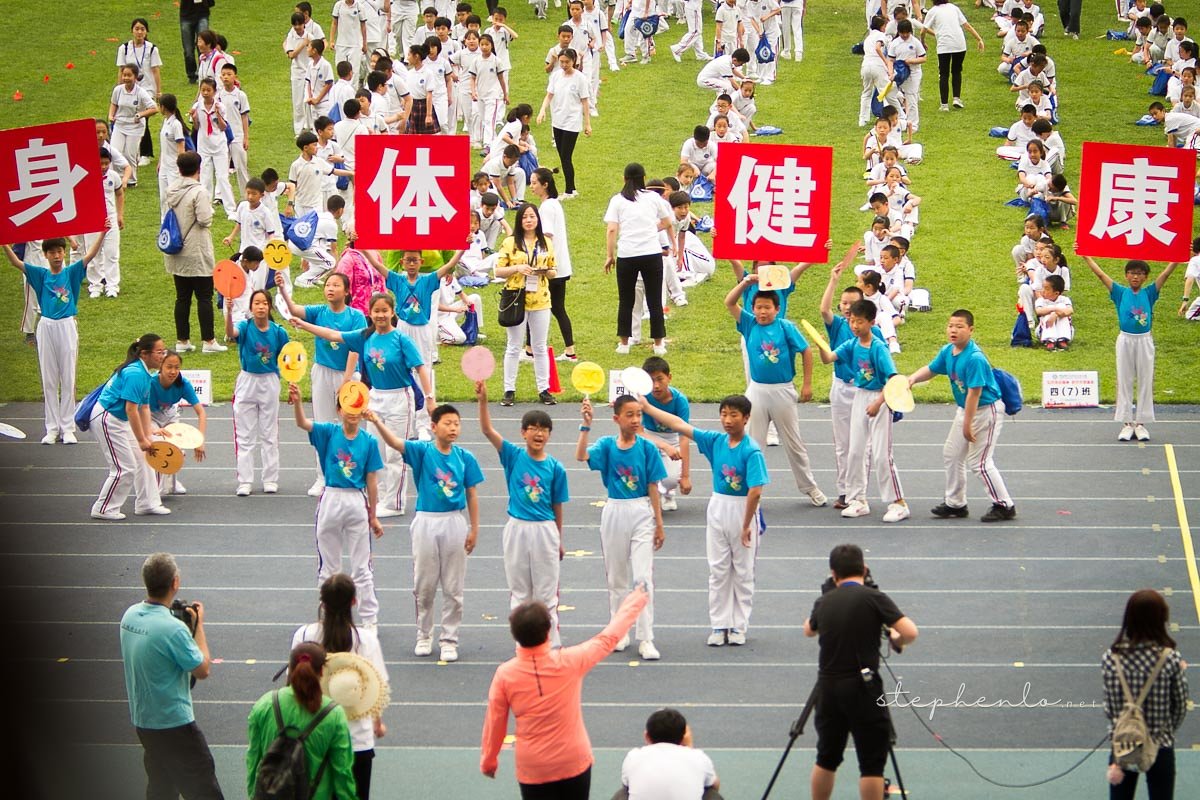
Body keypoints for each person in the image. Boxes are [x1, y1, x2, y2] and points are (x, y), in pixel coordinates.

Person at [480, 585, 650, 797]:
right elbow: (608, 638)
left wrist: (489, 759)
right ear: (548, 630)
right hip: (573, 761)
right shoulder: (569, 661)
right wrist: (636, 600)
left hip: (533, 767)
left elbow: (495, 721)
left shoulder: (505, 674)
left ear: (515, 634)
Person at [639, 394, 767, 647]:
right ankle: (719, 625)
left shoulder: (751, 450)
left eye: (734, 415)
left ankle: (739, 625)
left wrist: (745, 526)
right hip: (719, 505)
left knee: (742, 571)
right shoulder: (716, 441)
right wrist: (647, 407)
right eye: (724, 414)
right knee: (718, 569)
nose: (728, 420)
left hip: (743, 509)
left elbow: (756, 490)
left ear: (746, 418)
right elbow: (679, 425)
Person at [292, 292, 433, 517]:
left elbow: (421, 367)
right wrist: (304, 324)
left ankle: (395, 503)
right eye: (376, 311)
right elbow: (332, 334)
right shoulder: (364, 336)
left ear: (392, 312)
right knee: (375, 449)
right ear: (370, 313)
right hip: (375, 397)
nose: (380, 315)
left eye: (384, 311)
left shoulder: (401, 339)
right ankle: (381, 498)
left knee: (395, 451)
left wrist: (429, 398)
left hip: (399, 398)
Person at [365, 404, 483, 662]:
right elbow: (395, 443)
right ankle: (424, 634)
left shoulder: (465, 457)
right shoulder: (422, 451)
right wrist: (375, 421)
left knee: (453, 586)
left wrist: (474, 528)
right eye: (448, 423)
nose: (453, 428)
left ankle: (449, 639)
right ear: (433, 426)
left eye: (457, 423)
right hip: (426, 521)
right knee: (424, 584)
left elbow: (472, 493)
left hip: (454, 521)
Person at [803, 544, 918, 800]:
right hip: (863, 687)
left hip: (829, 687)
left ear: (834, 575)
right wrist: (897, 641)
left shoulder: (824, 601)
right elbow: (910, 632)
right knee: (872, 764)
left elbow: (809, 630)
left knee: (826, 758)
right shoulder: (874, 598)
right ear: (864, 569)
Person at [120, 552, 223, 799]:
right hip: (174, 724)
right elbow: (202, 668)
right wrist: (198, 627)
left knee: (161, 787)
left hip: (144, 721)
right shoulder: (173, 629)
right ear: (175, 583)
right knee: (204, 788)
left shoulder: (129, 616)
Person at [476, 381, 570, 647]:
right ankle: (523, 643)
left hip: (544, 529)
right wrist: (483, 401)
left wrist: (558, 539)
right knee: (520, 591)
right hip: (517, 528)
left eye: (544, 430)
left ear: (549, 435)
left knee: (546, 593)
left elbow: (557, 506)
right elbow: (486, 429)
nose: (538, 434)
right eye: (533, 429)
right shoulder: (513, 456)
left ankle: (551, 643)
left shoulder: (556, 468)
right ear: (523, 433)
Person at [577, 395, 667, 661]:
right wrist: (586, 425)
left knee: (642, 577)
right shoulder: (606, 445)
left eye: (639, 414)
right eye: (630, 415)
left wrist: (658, 524)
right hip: (615, 509)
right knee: (616, 577)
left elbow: (653, 487)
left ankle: (646, 637)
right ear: (616, 419)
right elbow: (581, 456)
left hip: (641, 511)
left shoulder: (648, 448)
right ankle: (618, 632)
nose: (636, 420)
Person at [725, 276, 827, 508]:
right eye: (758, 307)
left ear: (777, 309)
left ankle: (810, 487)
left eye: (767, 307)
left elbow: (806, 351)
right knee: (752, 443)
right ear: (753, 309)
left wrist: (807, 383)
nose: (763, 312)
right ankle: (751, 490)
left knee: (794, 443)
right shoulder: (749, 324)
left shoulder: (785, 326)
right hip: (757, 391)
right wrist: (745, 284)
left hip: (782, 390)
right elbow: (730, 303)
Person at [906, 310, 1017, 522]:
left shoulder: (974, 358)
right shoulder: (948, 351)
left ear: (971, 330)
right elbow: (931, 369)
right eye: (950, 326)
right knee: (952, 454)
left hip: (985, 411)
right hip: (965, 410)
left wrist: (967, 425)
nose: (953, 330)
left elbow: (974, 394)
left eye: (959, 326)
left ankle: (1004, 505)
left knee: (980, 462)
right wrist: (912, 379)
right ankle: (955, 503)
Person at [291, 384, 385, 627]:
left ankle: (369, 619)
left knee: (362, 566)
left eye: (357, 406)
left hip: (356, 498)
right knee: (328, 566)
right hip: (331, 497)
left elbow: (372, 481)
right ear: (339, 409)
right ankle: (329, 617)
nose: (352, 412)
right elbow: (303, 424)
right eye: (347, 406)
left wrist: (373, 515)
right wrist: (299, 401)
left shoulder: (369, 441)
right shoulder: (329, 432)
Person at [2, 235, 107, 445]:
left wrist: (103, 233)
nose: (57, 256)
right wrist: (4, 241)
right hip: (46, 325)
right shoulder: (40, 274)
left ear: (63, 252)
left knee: (67, 377)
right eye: (52, 253)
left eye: (60, 251)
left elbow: (91, 255)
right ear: (45, 255)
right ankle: (51, 428)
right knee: (49, 379)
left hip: (67, 325)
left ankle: (67, 428)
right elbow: (16, 262)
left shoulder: (71, 272)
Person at [292, 574, 389, 798]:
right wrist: (378, 723)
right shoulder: (366, 640)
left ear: (322, 604)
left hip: (312, 737)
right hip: (356, 741)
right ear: (354, 602)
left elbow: (293, 682)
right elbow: (377, 686)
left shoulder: (305, 635)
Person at [819, 299, 909, 523]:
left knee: (880, 455)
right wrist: (821, 345)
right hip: (860, 396)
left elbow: (893, 380)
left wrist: (878, 403)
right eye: (851, 321)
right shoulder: (852, 344)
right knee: (855, 451)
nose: (854, 326)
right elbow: (829, 358)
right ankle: (858, 499)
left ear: (871, 322)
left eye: (859, 322)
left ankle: (898, 503)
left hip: (880, 397)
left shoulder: (878, 348)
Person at [276, 273, 365, 496]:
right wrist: (282, 290)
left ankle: (351, 474)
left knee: (350, 425)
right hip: (322, 372)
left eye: (336, 285)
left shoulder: (356, 316)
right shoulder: (319, 312)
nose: (330, 288)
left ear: (346, 291)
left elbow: (354, 348)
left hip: (348, 375)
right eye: (327, 285)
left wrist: (345, 380)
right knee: (322, 425)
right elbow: (295, 310)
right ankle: (322, 477)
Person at [1080, 255, 1177, 443]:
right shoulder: (1120, 292)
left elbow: (1165, 274)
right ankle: (1126, 423)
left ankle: (1140, 423)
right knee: (1124, 380)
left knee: (1145, 380)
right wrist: (1085, 256)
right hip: (1125, 340)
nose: (1135, 277)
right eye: (1132, 273)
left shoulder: (1149, 293)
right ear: (1126, 275)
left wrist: (1178, 258)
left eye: (1140, 274)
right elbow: (1100, 275)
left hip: (1144, 340)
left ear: (1146, 277)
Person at [1102, 590, 1190, 799]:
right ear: (1161, 619)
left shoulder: (1110, 658)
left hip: (1124, 743)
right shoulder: (1170, 659)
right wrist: (1165, 729)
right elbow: (1180, 705)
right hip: (1160, 744)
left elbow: (1110, 708)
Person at [246, 643, 357, 800]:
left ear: (289, 669)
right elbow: (342, 772)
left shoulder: (265, 704)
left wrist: (252, 794)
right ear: (322, 672)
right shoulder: (334, 714)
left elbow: (254, 759)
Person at [90, 335, 171, 520]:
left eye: (163, 352)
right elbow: (131, 409)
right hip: (108, 419)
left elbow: (144, 407)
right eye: (159, 352)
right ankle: (103, 508)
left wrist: (147, 434)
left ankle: (148, 503)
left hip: (120, 419)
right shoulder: (135, 374)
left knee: (145, 459)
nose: (163, 356)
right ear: (144, 353)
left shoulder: (144, 374)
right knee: (124, 468)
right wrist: (142, 439)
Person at [225, 290, 289, 496]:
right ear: (251, 307)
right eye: (257, 303)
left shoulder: (279, 332)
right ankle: (245, 481)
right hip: (247, 381)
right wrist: (228, 311)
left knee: (269, 433)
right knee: (244, 435)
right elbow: (230, 334)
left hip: (270, 381)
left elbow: (288, 360)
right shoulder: (244, 327)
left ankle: (270, 479)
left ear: (270, 307)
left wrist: (290, 384)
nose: (261, 307)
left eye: (264, 303)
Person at [605, 163, 673, 356]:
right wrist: (651, 230)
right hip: (651, 253)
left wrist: (609, 256)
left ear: (624, 179)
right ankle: (659, 343)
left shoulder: (618, 200)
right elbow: (668, 222)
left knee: (626, 299)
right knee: (654, 299)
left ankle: (624, 343)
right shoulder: (652, 198)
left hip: (627, 254)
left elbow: (611, 229)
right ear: (644, 177)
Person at [164, 152, 227, 355]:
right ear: (198, 169)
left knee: (182, 298)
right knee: (204, 297)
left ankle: (182, 340)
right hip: (197, 250)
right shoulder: (199, 191)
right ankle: (208, 340)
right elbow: (204, 219)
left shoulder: (171, 189)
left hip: (176, 249)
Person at [496, 203, 558, 406]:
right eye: (525, 217)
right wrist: (518, 268)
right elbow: (498, 271)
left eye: (532, 216)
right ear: (519, 220)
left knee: (539, 346)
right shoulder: (510, 242)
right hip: (516, 297)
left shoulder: (546, 242)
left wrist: (545, 270)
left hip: (540, 298)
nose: (529, 220)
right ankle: (509, 389)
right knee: (513, 346)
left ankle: (544, 389)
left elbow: (553, 270)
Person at [618, 708, 722, 800]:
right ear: (683, 737)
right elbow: (714, 785)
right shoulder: (699, 757)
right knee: (711, 793)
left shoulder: (633, 757)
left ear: (647, 736)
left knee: (623, 793)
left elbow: (627, 784)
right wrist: (689, 748)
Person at [530, 168, 576, 362]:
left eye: (534, 183)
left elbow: (547, 236)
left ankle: (530, 349)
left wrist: (537, 262)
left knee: (533, 304)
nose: (531, 186)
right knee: (557, 307)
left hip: (550, 268)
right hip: (560, 266)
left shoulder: (547, 207)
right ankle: (569, 350)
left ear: (545, 185)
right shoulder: (553, 204)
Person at [149, 350, 208, 497]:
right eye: (169, 367)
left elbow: (201, 412)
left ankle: (173, 484)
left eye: (177, 367)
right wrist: (152, 430)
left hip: (170, 415)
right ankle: (155, 488)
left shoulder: (183, 384)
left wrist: (199, 441)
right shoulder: (150, 383)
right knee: (158, 449)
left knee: (176, 449)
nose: (173, 371)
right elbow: (138, 411)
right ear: (160, 367)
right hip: (149, 416)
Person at [537, 48, 591, 198]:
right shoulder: (555, 76)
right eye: (561, 62)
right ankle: (572, 188)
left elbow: (585, 101)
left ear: (574, 61)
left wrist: (587, 123)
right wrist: (542, 110)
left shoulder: (580, 78)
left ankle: (569, 191)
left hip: (572, 122)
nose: (564, 65)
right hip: (557, 121)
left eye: (567, 62)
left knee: (566, 156)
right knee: (562, 156)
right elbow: (549, 95)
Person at [920, 0, 984, 112]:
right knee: (956, 71)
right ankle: (956, 99)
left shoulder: (933, 11)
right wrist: (979, 39)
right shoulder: (954, 8)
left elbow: (923, 30)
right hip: (959, 44)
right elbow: (966, 25)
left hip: (944, 46)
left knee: (943, 74)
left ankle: (944, 105)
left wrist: (922, 41)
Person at [108, 65, 157, 187]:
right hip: (119, 125)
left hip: (135, 128)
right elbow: (113, 104)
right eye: (124, 75)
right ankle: (116, 178)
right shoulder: (118, 90)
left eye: (129, 75)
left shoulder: (141, 93)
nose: (126, 78)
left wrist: (140, 115)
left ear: (135, 77)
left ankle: (131, 180)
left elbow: (154, 108)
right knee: (114, 151)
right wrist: (111, 115)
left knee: (130, 154)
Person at [179, 0, 214, 84]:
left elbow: (211, 3)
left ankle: (203, 72)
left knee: (203, 46)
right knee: (188, 50)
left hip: (202, 15)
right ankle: (191, 75)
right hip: (186, 16)